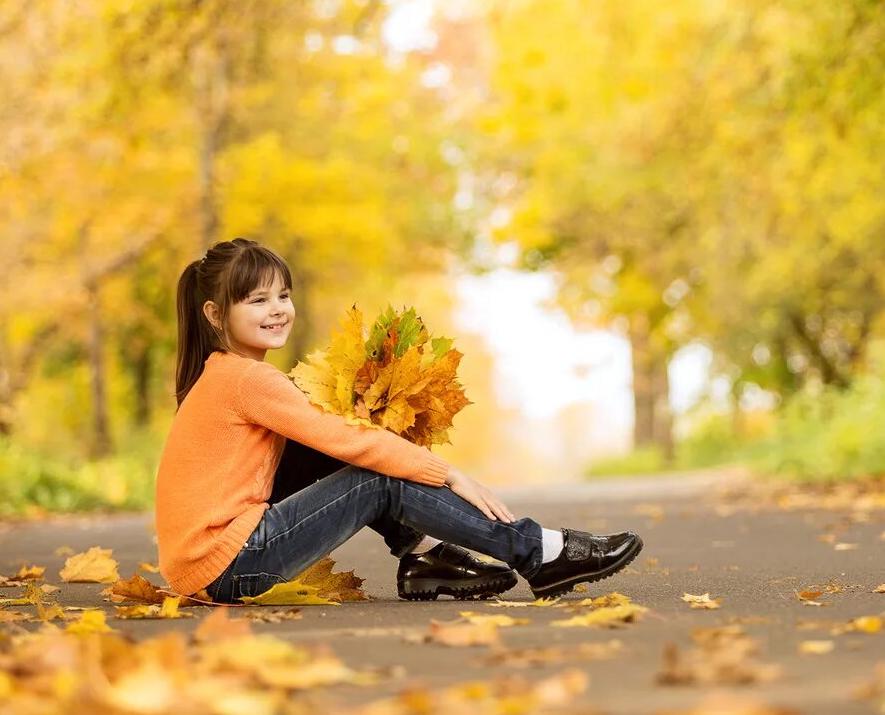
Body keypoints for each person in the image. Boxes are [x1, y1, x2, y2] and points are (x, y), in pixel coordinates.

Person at [155, 237, 643, 605]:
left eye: (282, 295)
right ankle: (538, 551)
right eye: (257, 301)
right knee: (376, 477)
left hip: (209, 565)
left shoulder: (227, 375)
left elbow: (331, 440)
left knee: (326, 442)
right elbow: (351, 444)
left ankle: (423, 555)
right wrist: (448, 473)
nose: (277, 310)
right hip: (230, 565)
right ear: (216, 314)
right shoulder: (247, 380)